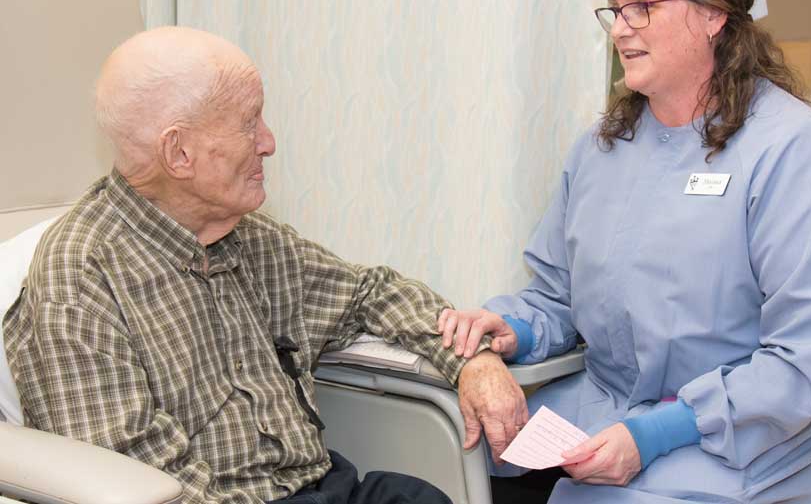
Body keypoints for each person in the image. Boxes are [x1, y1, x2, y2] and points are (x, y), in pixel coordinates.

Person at [441, 0, 811, 504]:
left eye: (641, 5)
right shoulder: (604, 145)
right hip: (610, 410)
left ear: (714, 14)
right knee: (449, 450)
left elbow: (802, 364)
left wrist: (653, 434)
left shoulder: (793, 153)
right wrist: (513, 329)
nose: (620, 28)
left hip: (744, 440)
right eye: (614, 9)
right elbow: (559, 295)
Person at [3, 26, 526, 504]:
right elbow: (128, 482)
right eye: (248, 124)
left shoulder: (247, 237)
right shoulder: (79, 279)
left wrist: (473, 361)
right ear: (179, 154)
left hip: (318, 485)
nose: (269, 143)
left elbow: (372, 292)